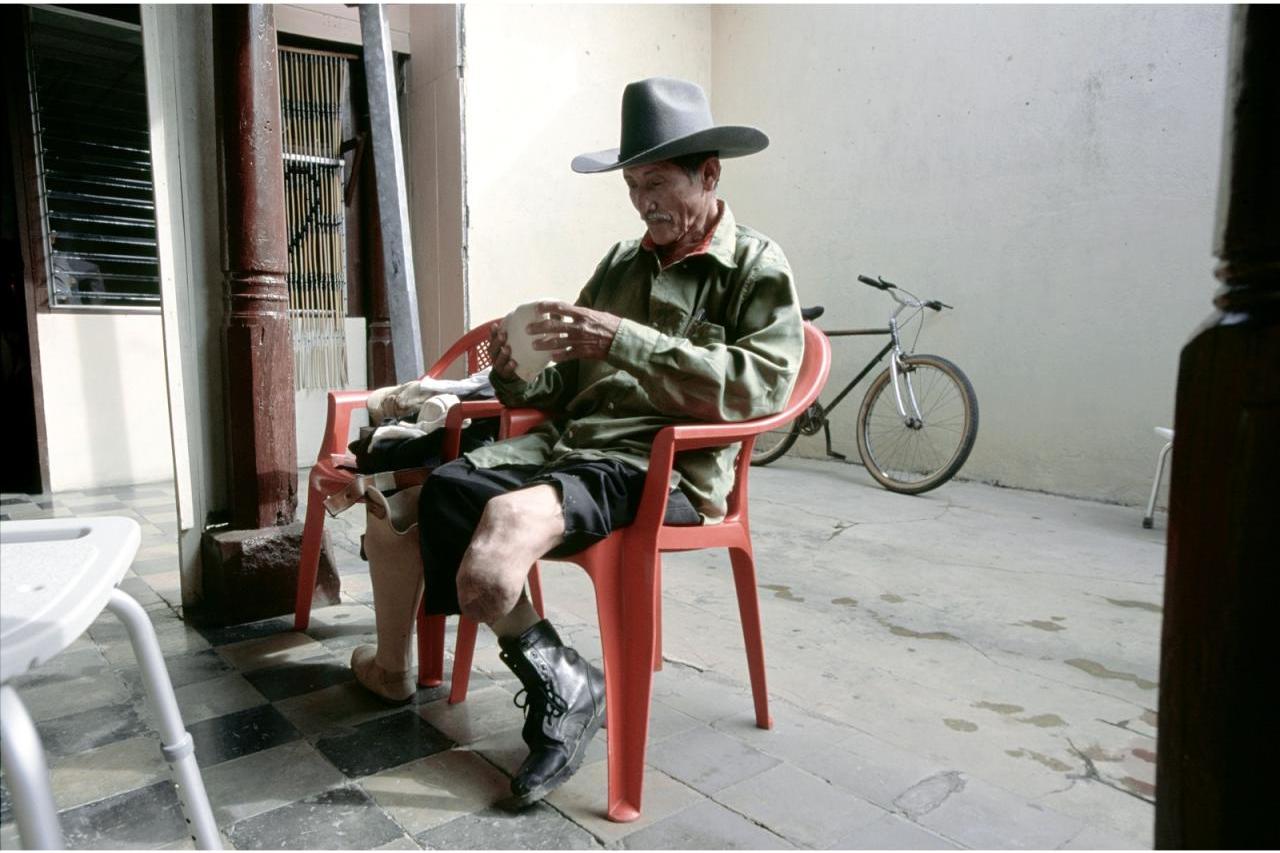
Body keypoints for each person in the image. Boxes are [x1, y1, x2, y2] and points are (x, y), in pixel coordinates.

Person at [349, 76, 804, 808]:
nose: (643, 202)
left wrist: (629, 341)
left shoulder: (755, 266)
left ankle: (565, 688)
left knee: (495, 547)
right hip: (568, 451)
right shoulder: (621, 266)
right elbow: (561, 388)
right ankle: (566, 678)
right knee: (444, 494)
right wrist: (515, 373)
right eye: (632, 185)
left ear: (709, 174)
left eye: (657, 183)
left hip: (659, 468)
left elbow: (761, 389)